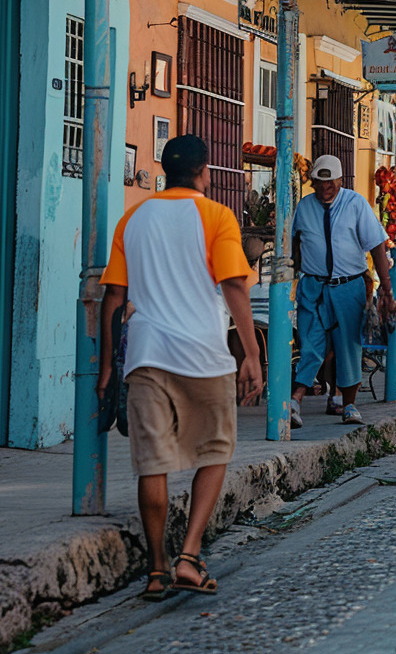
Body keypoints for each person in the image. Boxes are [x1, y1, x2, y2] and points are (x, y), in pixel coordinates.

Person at [97, 135, 263, 600]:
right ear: (204, 171)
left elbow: (113, 296)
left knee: (153, 464)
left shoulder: (133, 217)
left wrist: (108, 368)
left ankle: (156, 569)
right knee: (213, 451)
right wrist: (251, 353)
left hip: (147, 355)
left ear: (167, 170)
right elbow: (234, 285)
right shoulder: (216, 216)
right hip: (204, 355)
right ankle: (189, 555)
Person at [289, 155, 396, 428]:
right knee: (310, 343)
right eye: (320, 183)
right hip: (313, 287)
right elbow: (295, 245)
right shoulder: (304, 207)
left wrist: (386, 288)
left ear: (340, 181)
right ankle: (295, 401)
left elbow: (376, 245)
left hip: (348, 286)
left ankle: (348, 404)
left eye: (331, 183)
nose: (325, 189)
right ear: (313, 182)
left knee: (348, 346)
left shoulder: (356, 204)